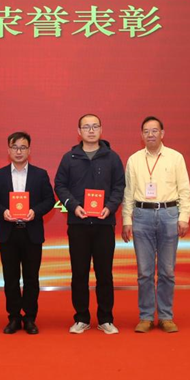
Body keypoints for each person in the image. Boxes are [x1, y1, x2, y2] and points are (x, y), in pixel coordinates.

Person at [121, 116, 190, 333]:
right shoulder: (134, 159)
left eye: (154, 131)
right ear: (141, 135)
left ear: (162, 133)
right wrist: (126, 220)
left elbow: (185, 190)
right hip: (141, 215)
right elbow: (128, 193)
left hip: (169, 215)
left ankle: (165, 316)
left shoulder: (176, 157)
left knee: (167, 271)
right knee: (144, 271)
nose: (150, 134)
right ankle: (145, 316)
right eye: (146, 131)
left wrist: (184, 217)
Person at [54, 114, 125, 335]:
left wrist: (110, 207)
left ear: (101, 130)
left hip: (104, 224)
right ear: (79, 131)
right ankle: (81, 317)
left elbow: (119, 186)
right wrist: (73, 206)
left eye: (95, 126)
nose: (91, 131)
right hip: (78, 224)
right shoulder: (69, 158)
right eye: (86, 127)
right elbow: (60, 185)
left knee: (105, 274)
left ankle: (106, 318)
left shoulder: (112, 158)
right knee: (79, 273)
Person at [0, 132, 55, 335]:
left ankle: (30, 318)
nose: (18, 151)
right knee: (11, 278)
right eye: (15, 147)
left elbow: (49, 200)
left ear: (29, 150)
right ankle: (14, 317)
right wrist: (3, 212)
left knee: (31, 278)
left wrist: (35, 212)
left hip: (31, 233)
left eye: (23, 147)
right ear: (8, 150)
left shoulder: (40, 174)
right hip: (8, 233)